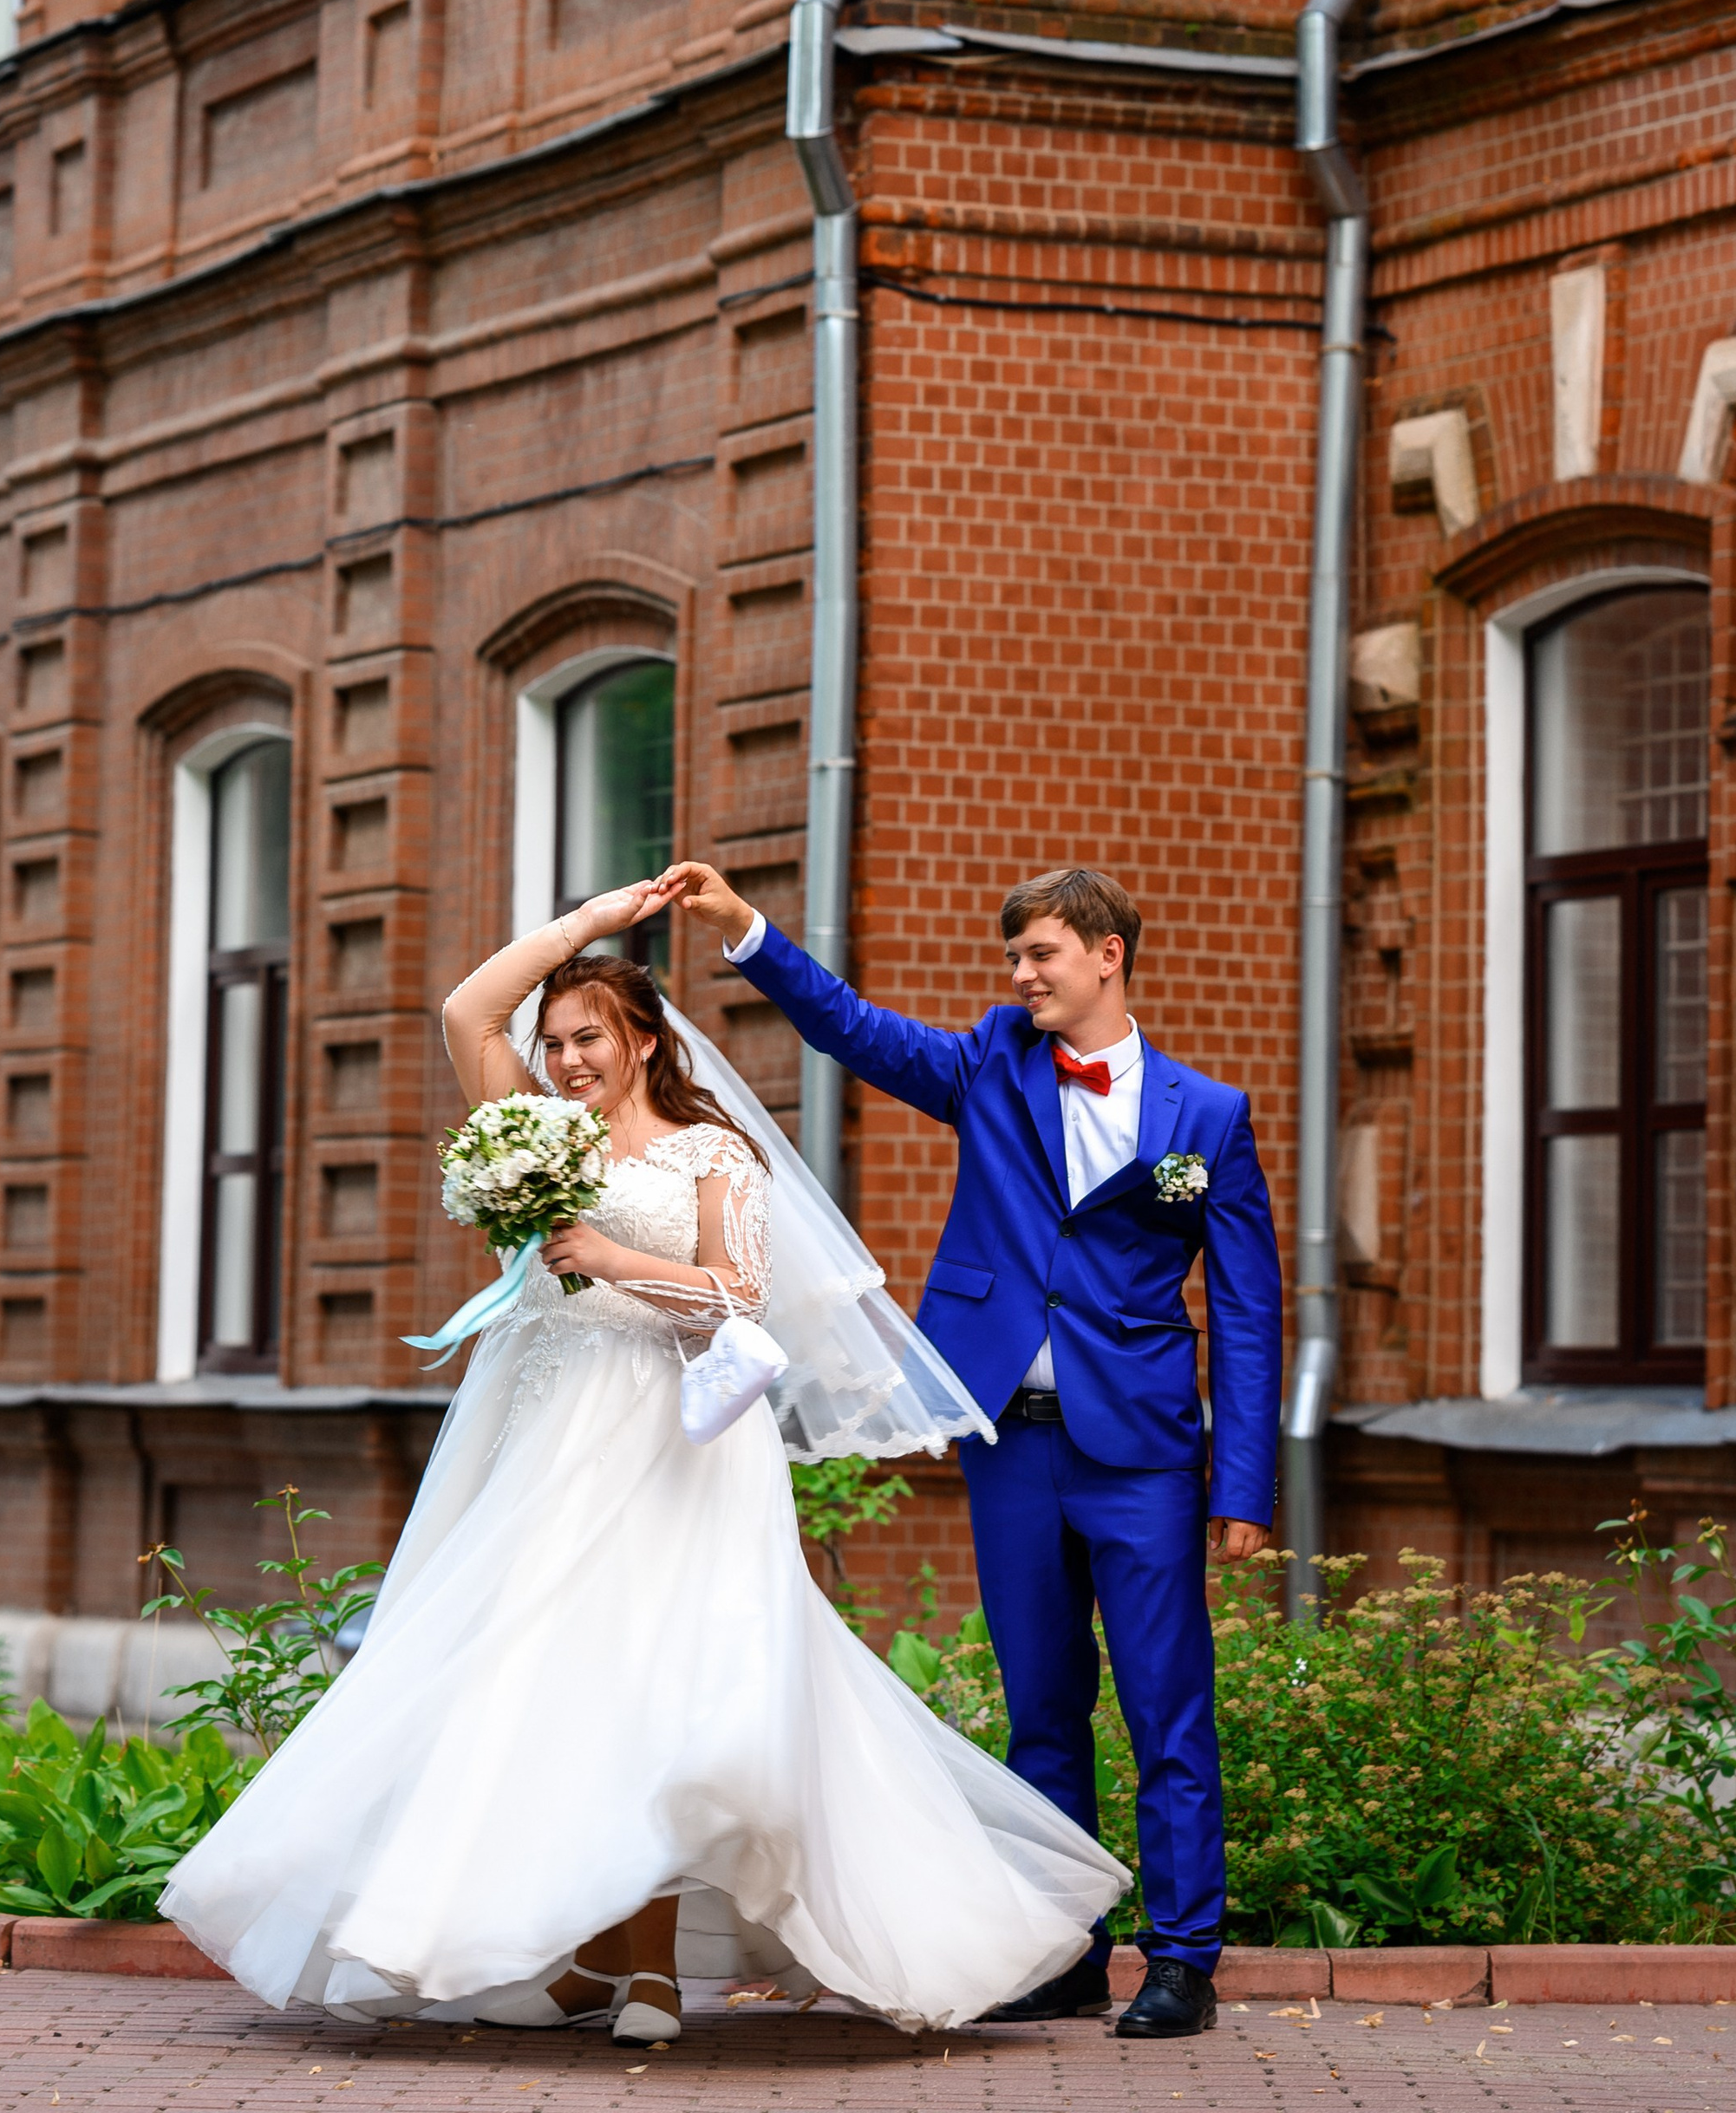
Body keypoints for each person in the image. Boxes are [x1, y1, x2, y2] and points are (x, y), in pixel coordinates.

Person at [160, 877, 1124, 2037]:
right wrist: (588, 927)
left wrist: (615, 1258)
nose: (565, 1061)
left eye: (588, 1038)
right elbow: (469, 1010)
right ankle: (580, 1957)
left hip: (678, 1441)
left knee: (660, 1687)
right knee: (536, 1681)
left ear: (644, 1042)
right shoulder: (537, 1129)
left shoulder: (715, 1153)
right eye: (555, 1041)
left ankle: (655, 1974)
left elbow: (743, 1297)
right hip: (541, 1429)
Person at [660, 858, 1282, 2042]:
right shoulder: (992, 1062)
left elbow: (1250, 1312)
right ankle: (1061, 1950)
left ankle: (1186, 1958)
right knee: (1041, 1707)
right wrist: (749, 934)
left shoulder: (1206, 1118)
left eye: (1040, 955)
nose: (1019, 976)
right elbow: (854, 1029)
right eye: (1016, 958)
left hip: (1145, 1454)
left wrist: (1240, 1482)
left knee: (1168, 1709)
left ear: (1107, 955)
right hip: (1009, 1443)